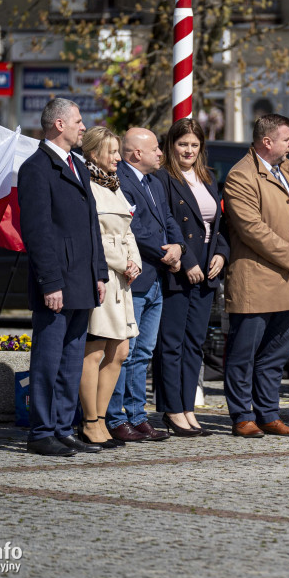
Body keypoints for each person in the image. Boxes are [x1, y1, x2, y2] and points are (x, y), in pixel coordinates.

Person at [18, 98, 107, 456]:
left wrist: (98, 273)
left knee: (72, 359)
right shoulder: (37, 167)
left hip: (82, 278)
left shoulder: (78, 166)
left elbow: (91, 226)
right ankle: (41, 432)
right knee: (48, 359)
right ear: (59, 124)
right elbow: (37, 232)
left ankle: (61, 426)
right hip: (57, 281)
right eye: (78, 121)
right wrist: (50, 282)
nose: (83, 127)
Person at [223, 113, 289, 437]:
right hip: (256, 281)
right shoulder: (242, 175)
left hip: (288, 281)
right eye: (287, 138)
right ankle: (241, 415)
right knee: (244, 354)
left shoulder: (287, 173)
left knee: (275, 356)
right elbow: (253, 230)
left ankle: (268, 413)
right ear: (267, 142)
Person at [153, 118, 229, 437]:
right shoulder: (163, 178)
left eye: (194, 145)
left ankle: (187, 407)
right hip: (180, 271)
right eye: (183, 144)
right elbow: (166, 224)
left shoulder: (207, 177)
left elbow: (219, 225)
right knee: (172, 343)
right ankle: (172, 410)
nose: (188, 150)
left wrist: (221, 254)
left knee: (195, 345)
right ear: (172, 145)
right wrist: (187, 259)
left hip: (208, 272)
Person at [107, 127, 181, 443]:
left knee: (143, 353)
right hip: (134, 278)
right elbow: (133, 228)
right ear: (137, 153)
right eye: (155, 149)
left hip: (155, 280)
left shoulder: (153, 182)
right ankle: (115, 417)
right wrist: (167, 254)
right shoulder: (121, 180)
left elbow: (167, 220)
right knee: (125, 350)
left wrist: (178, 246)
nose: (161, 154)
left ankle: (138, 416)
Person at [76, 127, 140, 449]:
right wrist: (120, 261)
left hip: (122, 279)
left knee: (121, 350)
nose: (118, 158)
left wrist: (135, 262)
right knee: (96, 349)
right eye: (112, 152)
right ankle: (89, 422)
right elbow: (94, 236)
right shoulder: (86, 184)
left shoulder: (113, 185)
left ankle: (100, 420)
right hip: (103, 276)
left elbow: (127, 230)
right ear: (94, 153)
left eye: (118, 151)